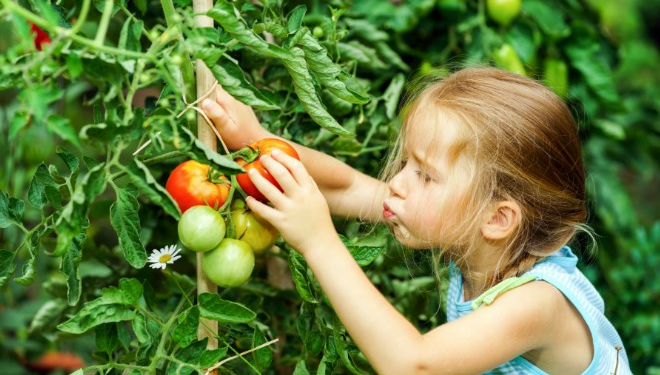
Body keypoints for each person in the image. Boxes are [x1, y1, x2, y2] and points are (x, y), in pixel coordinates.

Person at [201, 67, 632, 375]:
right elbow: (349, 187)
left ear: (497, 218)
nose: (398, 184)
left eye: (425, 175)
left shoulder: (537, 305)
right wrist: (257, 144)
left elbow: (412, 364)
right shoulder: (484, 241)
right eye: (406, 162)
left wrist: (319, 242)